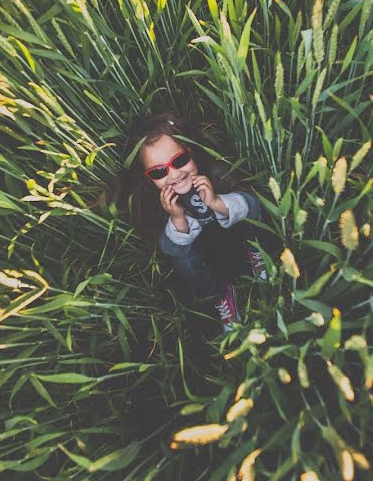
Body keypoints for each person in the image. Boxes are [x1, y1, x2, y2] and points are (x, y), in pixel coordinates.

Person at [118, 112, 276, 332]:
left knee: (248, 213)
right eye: (159, 171)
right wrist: (177, 217)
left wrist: (216, 201)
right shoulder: (157, 203)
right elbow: (172, 248)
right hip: (207, 253)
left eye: (180, 160)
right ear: (148, 177)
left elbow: (253, 205)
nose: (174, 174)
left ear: (191, 152)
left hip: (237, 235)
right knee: (182, 260)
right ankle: (221, 295)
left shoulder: (215, 173)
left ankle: (257, 253)